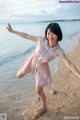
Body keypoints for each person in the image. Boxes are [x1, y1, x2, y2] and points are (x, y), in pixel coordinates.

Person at [6, 23, 80, 119]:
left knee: (38, 91)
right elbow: (26, 35)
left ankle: (44, 106)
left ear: (58, 34)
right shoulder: (41, 39)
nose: (50, 36)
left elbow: (69, 64)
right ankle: (24, 63)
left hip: (42, 69)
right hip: (32, 61)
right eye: (48, 33)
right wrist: (13, 31)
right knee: (18, 75)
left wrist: (79, 75)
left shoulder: (59, 50)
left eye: (53, 33)